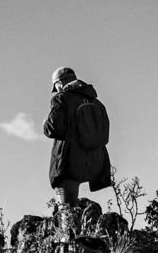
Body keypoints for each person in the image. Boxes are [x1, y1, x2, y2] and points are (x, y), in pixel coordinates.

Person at [43, 65, 112, 205]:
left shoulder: (61, 99)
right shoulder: (97, 103)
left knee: (67, 209)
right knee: (79, 210)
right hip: (95, 162)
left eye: (55, 87)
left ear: (60, 83)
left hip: (68, 162)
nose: (56, 90)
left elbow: (53, 129)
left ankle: (72, 225)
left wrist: (45, 123)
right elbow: (105, 133)